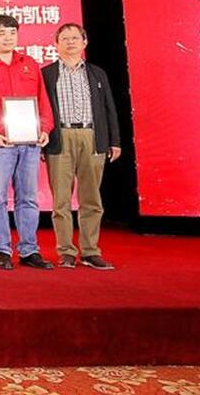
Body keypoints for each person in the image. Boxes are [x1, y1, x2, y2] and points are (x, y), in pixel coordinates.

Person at [0, 14, 55, 270]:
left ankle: (29, 250)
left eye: (12, 33)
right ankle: (2, 250)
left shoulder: (29, 63)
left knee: (28, 197)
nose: (8, 38)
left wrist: (45, 128)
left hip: (30, 142)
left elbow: (42, 99)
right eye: (2, 33)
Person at [42, 23, 122, 270]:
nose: (70, 42)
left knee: (91, 198)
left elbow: (109, 107)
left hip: (91, 135)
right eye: (64, 38)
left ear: (84, 42)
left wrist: (114, 141)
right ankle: (66, 251)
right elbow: (42, 109)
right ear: (56, 45)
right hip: (60, 136)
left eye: (75, 38)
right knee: (61, 201)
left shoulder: (97, 73)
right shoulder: (47, 74)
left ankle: (90, 251)